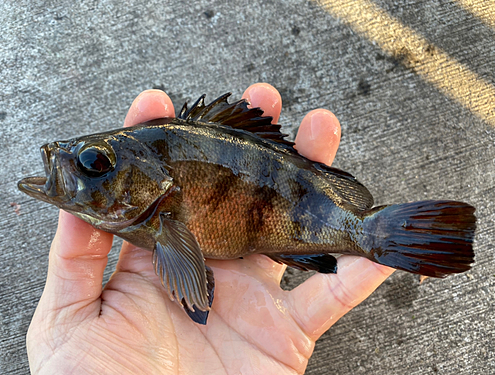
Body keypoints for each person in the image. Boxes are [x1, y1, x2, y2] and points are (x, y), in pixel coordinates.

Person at [26, 83, 394, 374]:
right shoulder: (157, 209)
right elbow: (180, 260)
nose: (69, 163)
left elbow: (180, 259)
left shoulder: (160, 216)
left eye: (93, 161)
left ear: (157, 181)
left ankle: (374, 233)